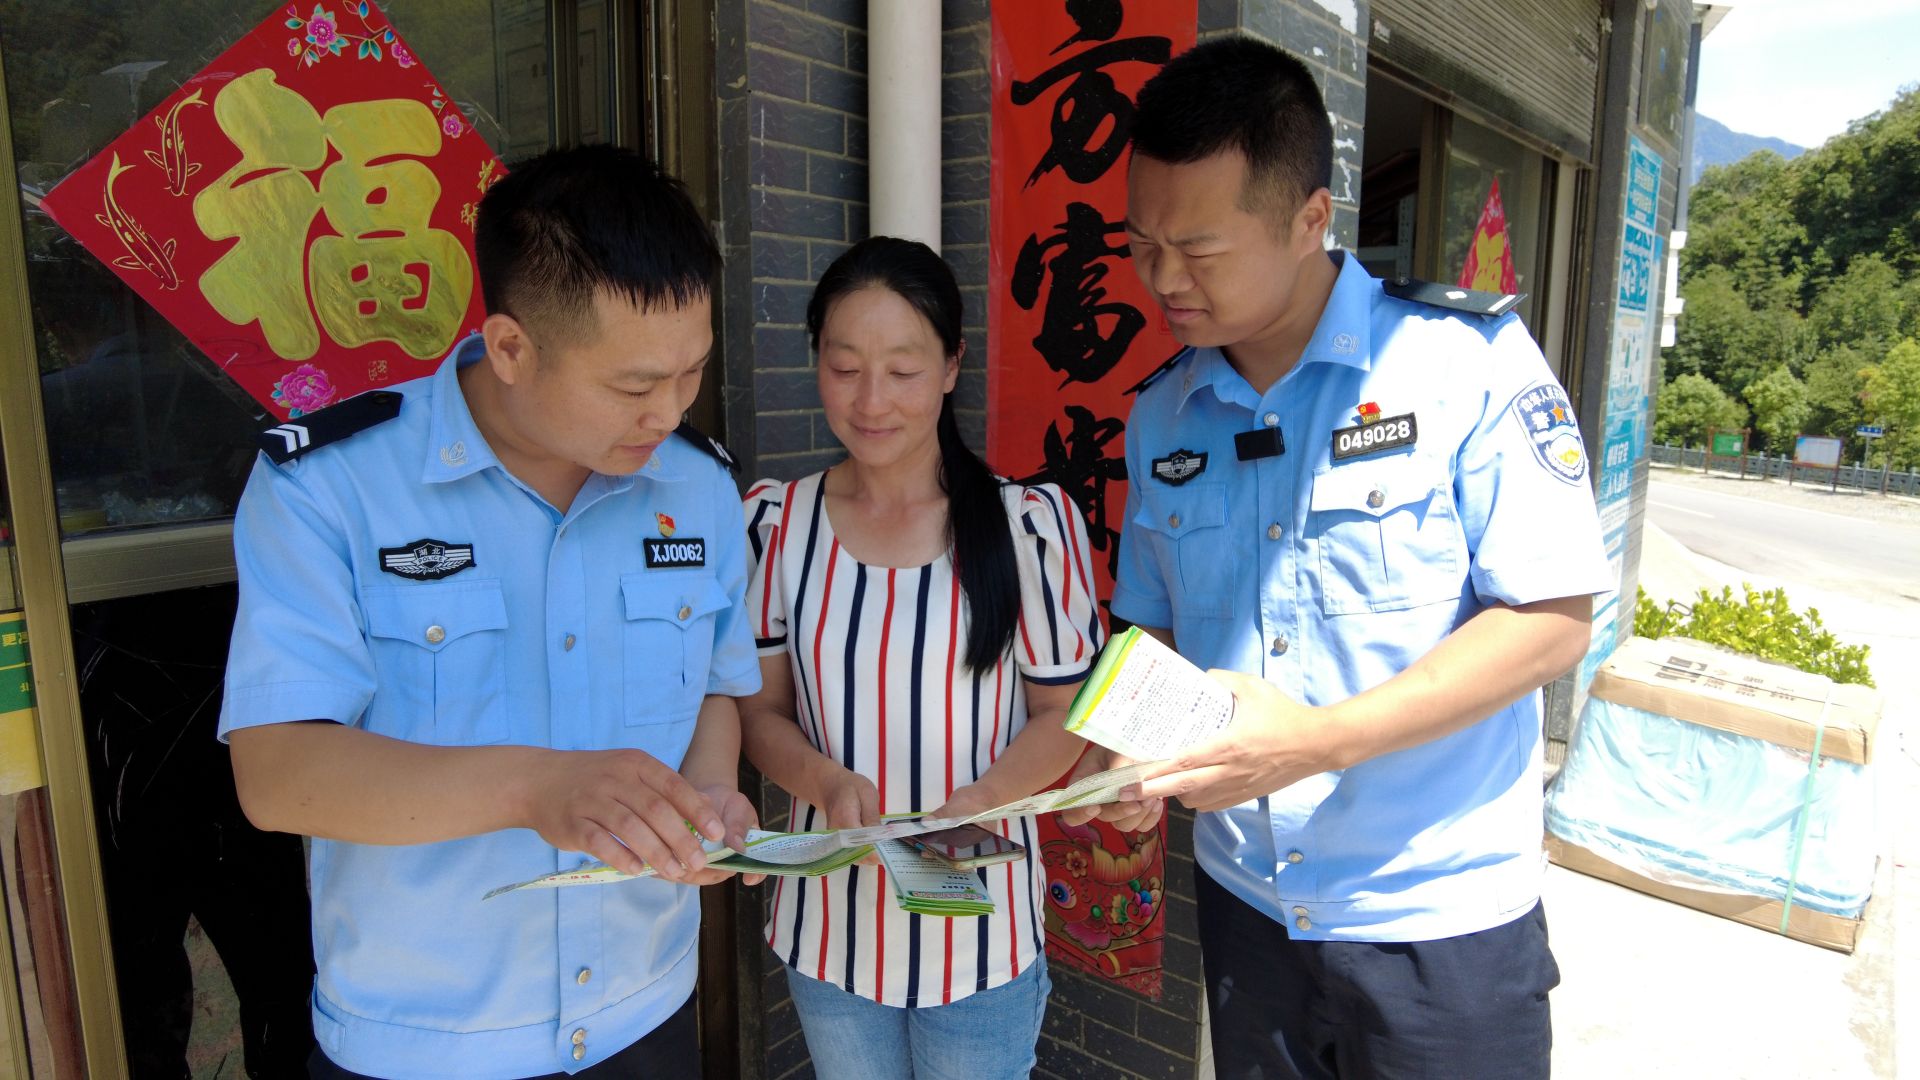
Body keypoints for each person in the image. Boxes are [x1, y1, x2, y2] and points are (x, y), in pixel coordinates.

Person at [1065, 36, 1612, 1079]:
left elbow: (1551, 623)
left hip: (1437, 917)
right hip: (1248, 905)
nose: (1164, 279)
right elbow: (1153, 629)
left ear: (1310, 218)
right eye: (1142, 245)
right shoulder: (1163, 414)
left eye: (1200, 250)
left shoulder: (1462, 363)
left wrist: (1314, 743)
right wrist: (1123, 751)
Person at [219, 144, 764, 1080]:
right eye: (634, 386)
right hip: (425, 1040)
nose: (669, 414)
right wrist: (534, 789)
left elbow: (714, 682)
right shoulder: (332, 486)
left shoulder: (698, 487)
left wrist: (708, 791)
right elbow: (276, 775)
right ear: (511, 347)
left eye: (692, 373)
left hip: (646, 1006)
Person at [736, 236, 1104, 1080]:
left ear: (950, 366)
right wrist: (825, 783)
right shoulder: (777, 526)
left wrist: (979, 802)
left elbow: (1064, 715)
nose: (872, 401)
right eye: (844, 367)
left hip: (982, 933)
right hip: (829, 932)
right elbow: (760, 713)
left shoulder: (1025, 527)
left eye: (902, 370)